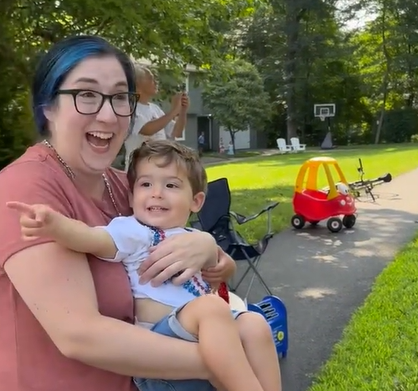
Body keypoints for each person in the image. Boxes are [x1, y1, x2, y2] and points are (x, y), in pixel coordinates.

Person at [0, 35, 245, 391]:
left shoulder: (127, 185)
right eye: (86, 95)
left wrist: (208, 249)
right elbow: (79, 334)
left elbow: (193, 258)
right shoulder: (24, 188)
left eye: (119, 97)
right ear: (47, 106)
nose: (108, 114)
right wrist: (229, 362)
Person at [9, 139, 282, 391]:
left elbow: (219, 272)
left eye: (171, 186)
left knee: (255, 324)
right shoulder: (134, 231)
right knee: (211, 308)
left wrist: (221, 263)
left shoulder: (194, 238)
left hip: (203, 330)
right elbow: (90, 238)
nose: (157, 194)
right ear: (131, 197)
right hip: (161, 342)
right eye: (146, 185)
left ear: (196, 201)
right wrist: (55, 225)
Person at [124, 64, 189, 169]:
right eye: (150, 78)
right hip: (138, 169)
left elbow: (176, 132)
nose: (155, 82)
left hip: (158, 168)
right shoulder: (130, 109)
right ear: (137, 87)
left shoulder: (155, 109)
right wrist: (174, 111)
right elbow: (147, 130)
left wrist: (182, 111)